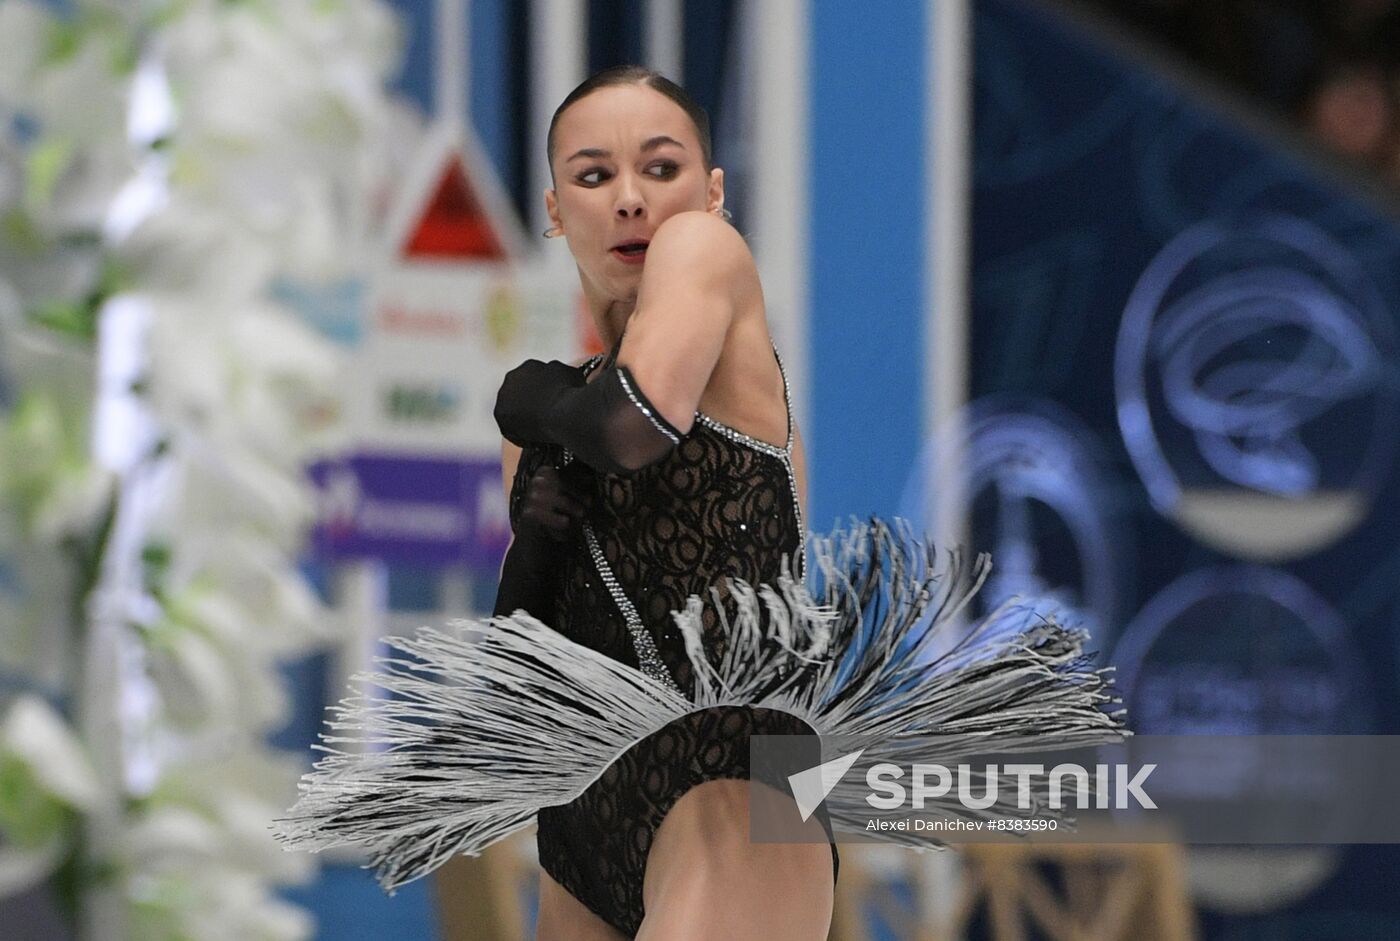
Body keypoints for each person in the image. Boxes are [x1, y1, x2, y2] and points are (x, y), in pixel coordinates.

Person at [275, 66, 1127, 941]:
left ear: (712, 193)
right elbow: (532, 666)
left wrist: (530, 405)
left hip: (734, 778)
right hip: (585, 820)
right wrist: (533, 537)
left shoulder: (702, 257)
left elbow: (633, 425)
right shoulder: (550, 416)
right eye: (595, 176)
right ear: (556, 210)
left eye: (661, 167)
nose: (632, 201)